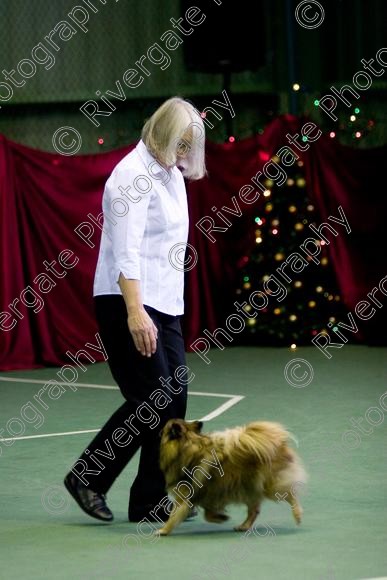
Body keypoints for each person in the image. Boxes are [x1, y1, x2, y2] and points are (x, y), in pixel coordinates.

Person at [64, 97, 206, 523]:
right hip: (126, 301)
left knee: (173, 398)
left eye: (189, 148)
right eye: (180, 145)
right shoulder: (129, 175)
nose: (184, 155)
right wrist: (136, 312)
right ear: (163, 133)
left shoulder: (172, 175)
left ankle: (148, 500)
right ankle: (88, 478)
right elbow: (126, 253)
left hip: (165, 303)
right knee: (151, 398)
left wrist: (169, 311)